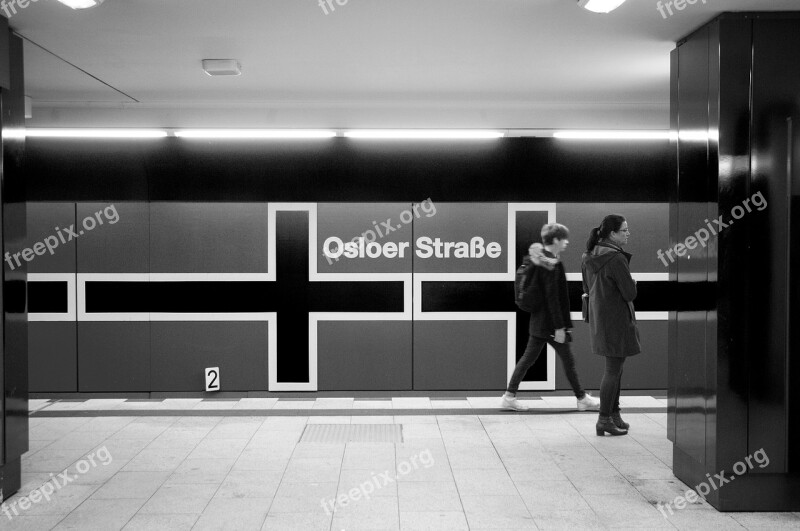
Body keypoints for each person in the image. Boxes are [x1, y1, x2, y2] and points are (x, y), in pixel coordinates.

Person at [501, 223, 600, 412]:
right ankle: (581, 398)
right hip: (549, 324)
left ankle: (509, 396)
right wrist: (560, 327)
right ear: (555, 240)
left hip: (539, 322)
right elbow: (553, 298)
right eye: (564, 239)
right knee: (566, 360)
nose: (566, 242)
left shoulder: (540, 260)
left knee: (528, 359)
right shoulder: (550, 264)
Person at [581, 214, 640, 436]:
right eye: (624, 230)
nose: (628, 233)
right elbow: (629, 292)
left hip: (600, 318)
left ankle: (614, 414)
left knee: (616, 368)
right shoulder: (616, 258)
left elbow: (587, 287)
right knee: (613, 370)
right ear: (612, 234)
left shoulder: (588, 255)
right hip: (616, 319)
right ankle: (604, 419)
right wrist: (633, 283)